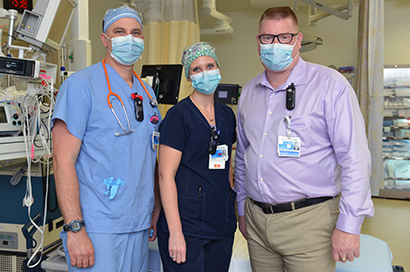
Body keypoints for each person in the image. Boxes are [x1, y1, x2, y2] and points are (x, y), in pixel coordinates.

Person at [234, 6, 374, 272]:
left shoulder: (330, 86)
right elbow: (243, 156)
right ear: (258, 41)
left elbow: (355, 160)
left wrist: (349, 226)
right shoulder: (249, 92)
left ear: (298, 40)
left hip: (310, 220)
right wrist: (242, 208)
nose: (275, 45)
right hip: (257, 221)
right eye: (267, 37)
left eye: (284, 37)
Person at [52, 3, 162, 271]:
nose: (129, 38)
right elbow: (61, 160)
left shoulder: (148, 94)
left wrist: (154, 211)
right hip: (96, 226)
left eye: (136, 32)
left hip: (138, 223)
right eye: (120, 31)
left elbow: (150, 157)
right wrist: (75, 229)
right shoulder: (80, 86)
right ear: (105, 39)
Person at [156, 42, 237, 272]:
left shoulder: (226, 115)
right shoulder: (178, 116)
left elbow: (226, 167)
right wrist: (176, 233)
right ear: (189, 78)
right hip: (187, 226)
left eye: (209, 66)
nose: (205, 73)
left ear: (219, 69)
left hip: (220, 223)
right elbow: (165, 175)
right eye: (197, 69)